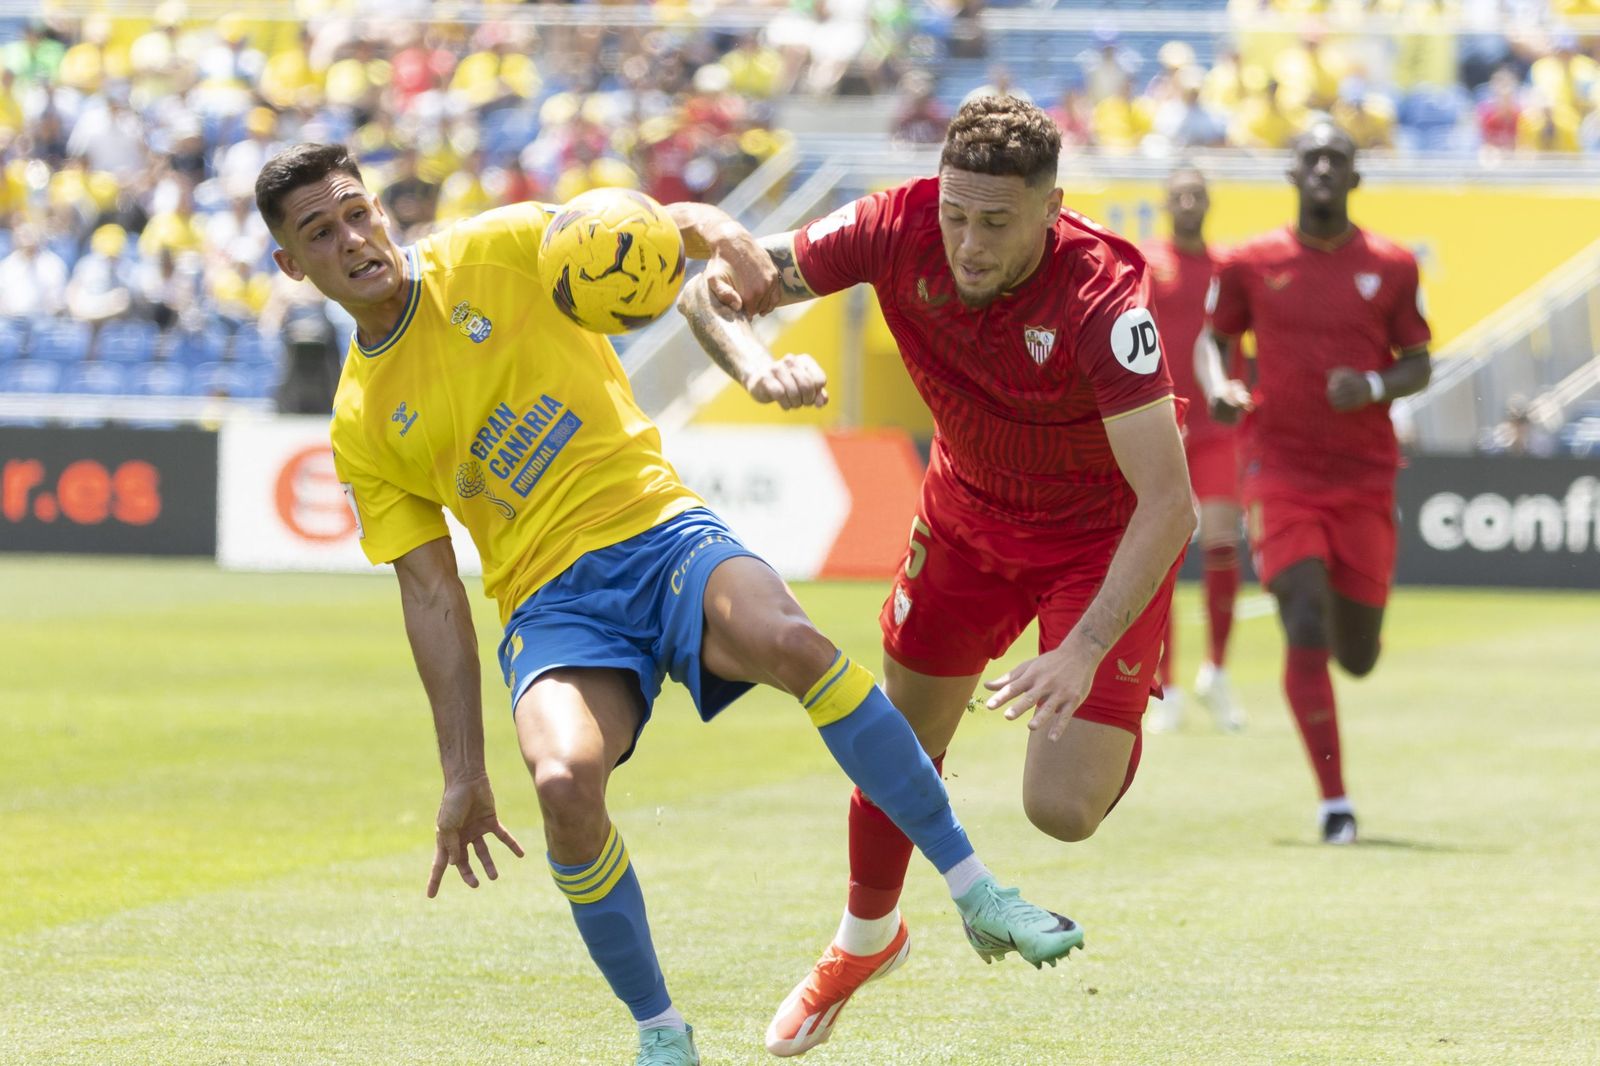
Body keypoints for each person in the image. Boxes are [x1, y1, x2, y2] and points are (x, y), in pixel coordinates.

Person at [253, 143, 1081, 1066]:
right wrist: (461, 771)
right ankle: (661, 1034)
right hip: (550, 606)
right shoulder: (363, 422)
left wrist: (727, 238)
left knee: (792, 641)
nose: (355, 240)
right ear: (293, 266)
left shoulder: (500, 247)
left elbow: (671, 225)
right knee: (564, 783)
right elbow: (433, 595)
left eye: (359, 212)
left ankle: (978, 891)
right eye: (322, 233)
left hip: (659, 533)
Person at [678, 95, 1196, 1057]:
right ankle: (864, 940)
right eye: (957, 213)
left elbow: (1172, 505)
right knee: (898, 741)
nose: (966, 240)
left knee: (1063, 811)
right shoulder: (892, 224)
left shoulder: (1106, 302)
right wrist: (753, 367)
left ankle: (1128, 673)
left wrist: (1086, 652)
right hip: (964, 522)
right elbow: (714, 287)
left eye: (996, 221)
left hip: (1096, 539)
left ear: (1053, 208)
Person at [1195, 121, 1431, 845]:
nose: (1325, 169)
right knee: (1300, 613)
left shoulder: (1391, 265)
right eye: (1312, 159)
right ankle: (1335, 803)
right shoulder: (1249, 260)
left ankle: (1353, 633)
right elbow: (1214, 340)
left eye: (1338, 160)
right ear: (1293, 176)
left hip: (1363, 476)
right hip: (1280, 468)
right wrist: (1217, 387)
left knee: (1355, 655)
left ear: (1356, 179)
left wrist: (1371, 383)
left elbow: (1418, 361)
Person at [1141, 165, 1245, 734]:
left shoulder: (1227, 268)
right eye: (1179, 193)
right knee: (1164, 556)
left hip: (1215, 428)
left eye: (1197, 194)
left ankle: (1217, 672)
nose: (1188, 201)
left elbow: (1231, 342)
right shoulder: (1146, 263)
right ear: (1165, 201)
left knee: (1223, 541)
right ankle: (1168, 687)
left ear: (1209, 203)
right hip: (1160, 426)